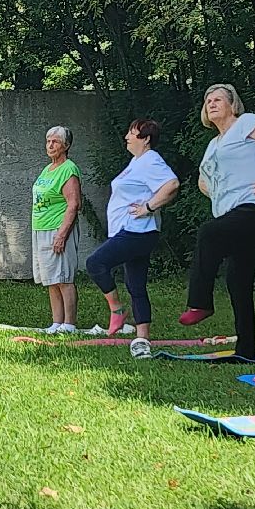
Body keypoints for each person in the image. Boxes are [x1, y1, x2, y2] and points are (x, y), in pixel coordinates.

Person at [179, 84, 255, 363]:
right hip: (235, 213)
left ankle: (200, 303)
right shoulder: (213, 145)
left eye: (218, 99)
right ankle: (246, 351)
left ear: (233, 105)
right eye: (208, 100)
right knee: (238, 280)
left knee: (209, 233)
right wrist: (216, 191)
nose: (211, 103)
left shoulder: (246, 124)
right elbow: (203, 181)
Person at [85, 119, 180, 359]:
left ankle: (117, 310)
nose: (127, 136)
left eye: (132, 132)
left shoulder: (151, 160)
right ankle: (142, 337)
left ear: (146, 138)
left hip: (138, 231)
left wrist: (149, 207)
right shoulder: (136, 161)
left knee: (96, 263)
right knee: (135, 284)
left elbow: (172, 185)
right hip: (133, 230)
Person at [30, 125, 82, 333]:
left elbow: (74, 203)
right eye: (48, 141)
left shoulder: (69, 169)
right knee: (51, 278)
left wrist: (62, 234)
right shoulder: (47, 169)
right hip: (41, 227)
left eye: (55, 142)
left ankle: (69, 323)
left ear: (66, 145)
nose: (50, 145)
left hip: (58, 228)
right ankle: (56, 322)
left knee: (63, 277)